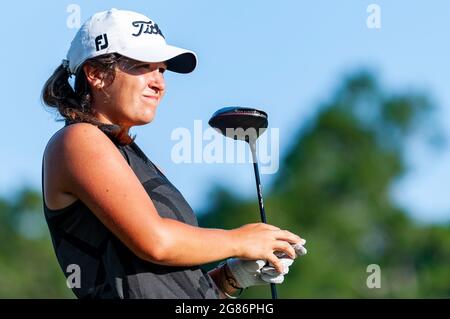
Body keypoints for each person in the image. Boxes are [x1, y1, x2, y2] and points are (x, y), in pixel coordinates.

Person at [41, 8, 307, 299]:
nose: (159, 83)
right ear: (96, 74)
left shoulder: (138, 160)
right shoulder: (78, 141)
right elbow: (156, 242)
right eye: (143, 66)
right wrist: (239, 240)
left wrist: (232, 276)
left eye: (162, 70)